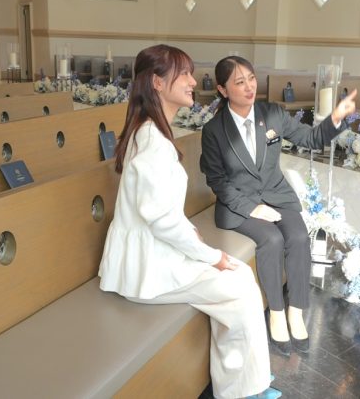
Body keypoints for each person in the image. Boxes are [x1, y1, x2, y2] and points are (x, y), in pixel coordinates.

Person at [99, 45, 281, 399]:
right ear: (157, 82)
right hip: (146, 268)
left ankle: (246, 383)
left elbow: (159, 212)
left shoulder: (151, 130)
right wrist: (212, 255)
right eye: (183, 73)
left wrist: (193, 236)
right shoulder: (152, 139)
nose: (193, 81)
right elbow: (161, 220)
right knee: (239, 285)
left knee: (241, 278)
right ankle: (244, 389)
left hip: (156, 252)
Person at [200, 56, 357, 356]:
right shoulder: (214, 130)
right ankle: (275, 312)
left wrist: (336, 117)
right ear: (222, 89)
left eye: (251, 78)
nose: (249, 87)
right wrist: (252, 209)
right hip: (238, 205)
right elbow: (217, 181)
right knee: (271, 239)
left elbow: (311, 139)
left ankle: (296, 311)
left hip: (277, 195)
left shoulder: (272, 114)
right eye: (239, 82)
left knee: (298, 236)